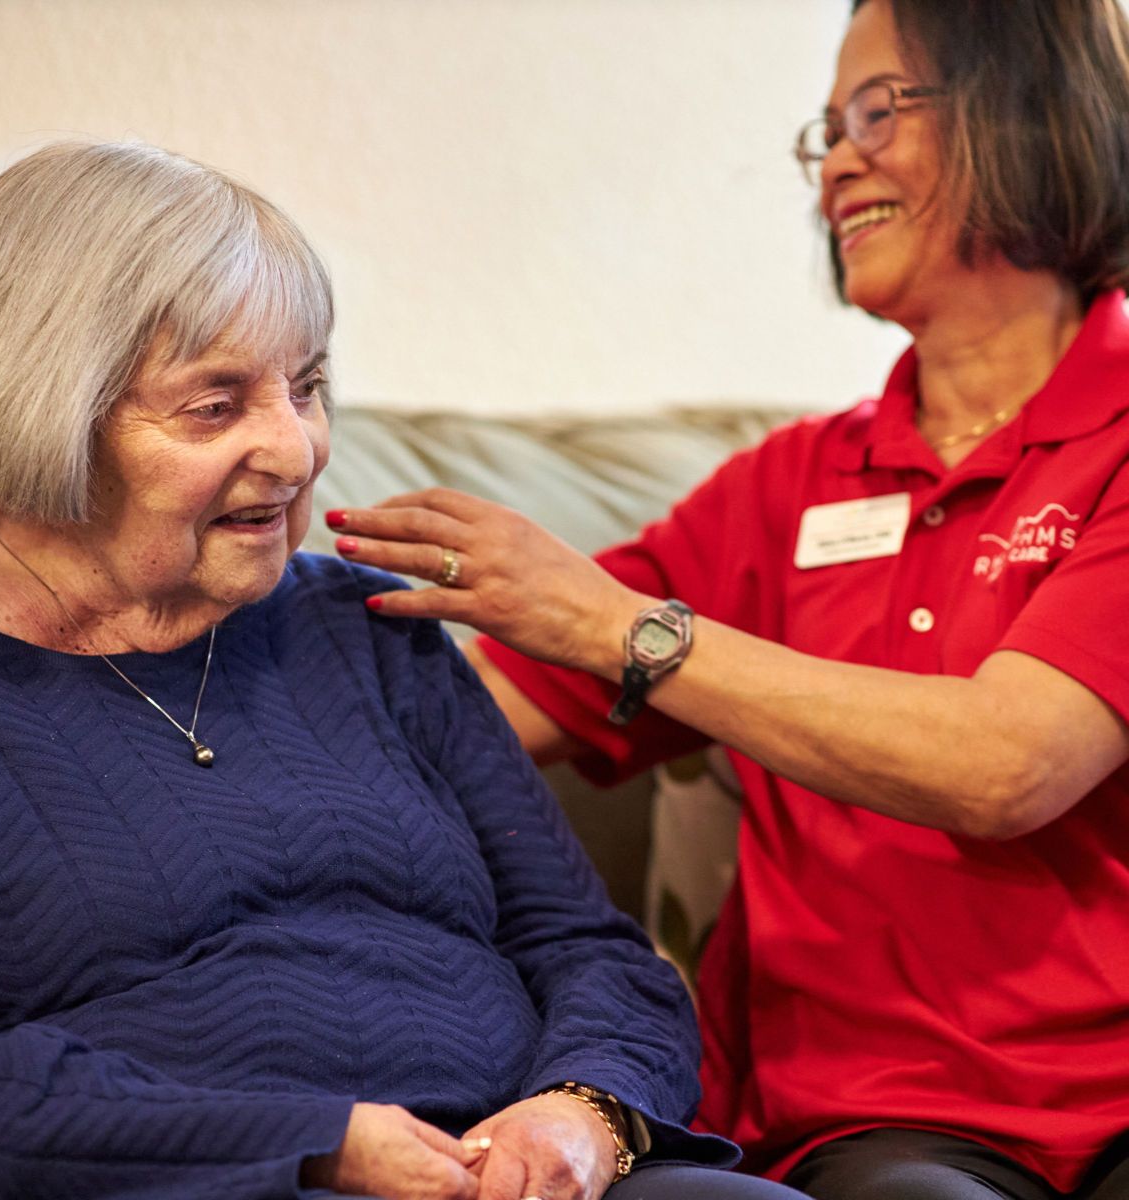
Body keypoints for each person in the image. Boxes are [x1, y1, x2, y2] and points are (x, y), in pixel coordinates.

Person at [324, 1, 1129, 1198]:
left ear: (1030, 110)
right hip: (884, 1127)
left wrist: (621, 627)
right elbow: (476, 723)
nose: (840, 160)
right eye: (828, 131)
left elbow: (1011, 763)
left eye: (881, 112)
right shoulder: (781, 489)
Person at [0, 141, 810, 1200]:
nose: (297, 449)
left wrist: (587, 1110)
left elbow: (590, 951)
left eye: (305, 387)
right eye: (215, 406)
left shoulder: (370, 627)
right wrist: (311, 1142)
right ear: (41, 408)